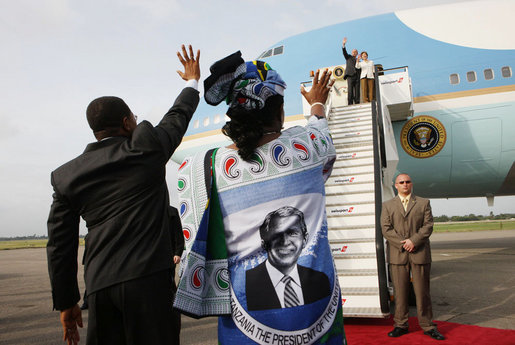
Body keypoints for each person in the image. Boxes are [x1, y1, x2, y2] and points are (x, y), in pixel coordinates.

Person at [176, 51, 346, 344]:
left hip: (243, 323)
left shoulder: (202, 168)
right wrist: (317, 102)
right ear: (279, 112)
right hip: (318, 319)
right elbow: (319, 124)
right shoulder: (309, 147)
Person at [46, 44, 201, 345]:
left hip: (100, 285)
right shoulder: (145, 148)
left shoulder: (67, 176)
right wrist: (191, 81)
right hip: (150, 284)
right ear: (128, 122)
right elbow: (177, 116)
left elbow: (59, 246)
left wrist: (66, 302)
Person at [381, 173, 446, 341]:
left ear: (412, 184)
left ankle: (428, 326)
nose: (405, 184)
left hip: (420, 253)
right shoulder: (388, 205)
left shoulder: (424, 203)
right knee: (400, 292)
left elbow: (428, 226)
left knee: (422, 292)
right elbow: (386, 229)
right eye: (401, 182)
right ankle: (400, 325)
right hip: (398, 254)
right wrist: (403, 244)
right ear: (396, 185)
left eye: (407, 182)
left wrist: (413, 241)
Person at [245, 206, 331, 311]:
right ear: (264, 243)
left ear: (304, 239)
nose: (285, 242)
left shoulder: (320, 281)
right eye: (276, 234)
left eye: (292, 233)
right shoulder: (246, 283)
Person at [342, 37, 360, 105]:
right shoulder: (348, 57)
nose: (354, 53)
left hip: (357, 76)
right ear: (352, 53)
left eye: (356, 52)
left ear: (357, 53)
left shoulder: (358, 61)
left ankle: (357, 102)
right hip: (350, 75)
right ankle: (350, 103)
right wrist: (343, 44)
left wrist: (358, 61)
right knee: (350, 90)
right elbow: (344, 52)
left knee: (357, 90)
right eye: (353, 52)